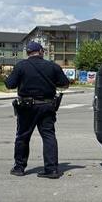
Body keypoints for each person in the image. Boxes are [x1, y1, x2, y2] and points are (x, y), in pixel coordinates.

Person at [5, 42, 70, 179]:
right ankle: (51, 169)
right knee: (48, 136)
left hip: (26, 107)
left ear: (28, 53)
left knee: (23, 136)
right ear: (40, 51)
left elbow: (10, 85)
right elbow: (65, 84)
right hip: (47, 105)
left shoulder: (21, 66)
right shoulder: (52, 66)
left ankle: (19, 167)